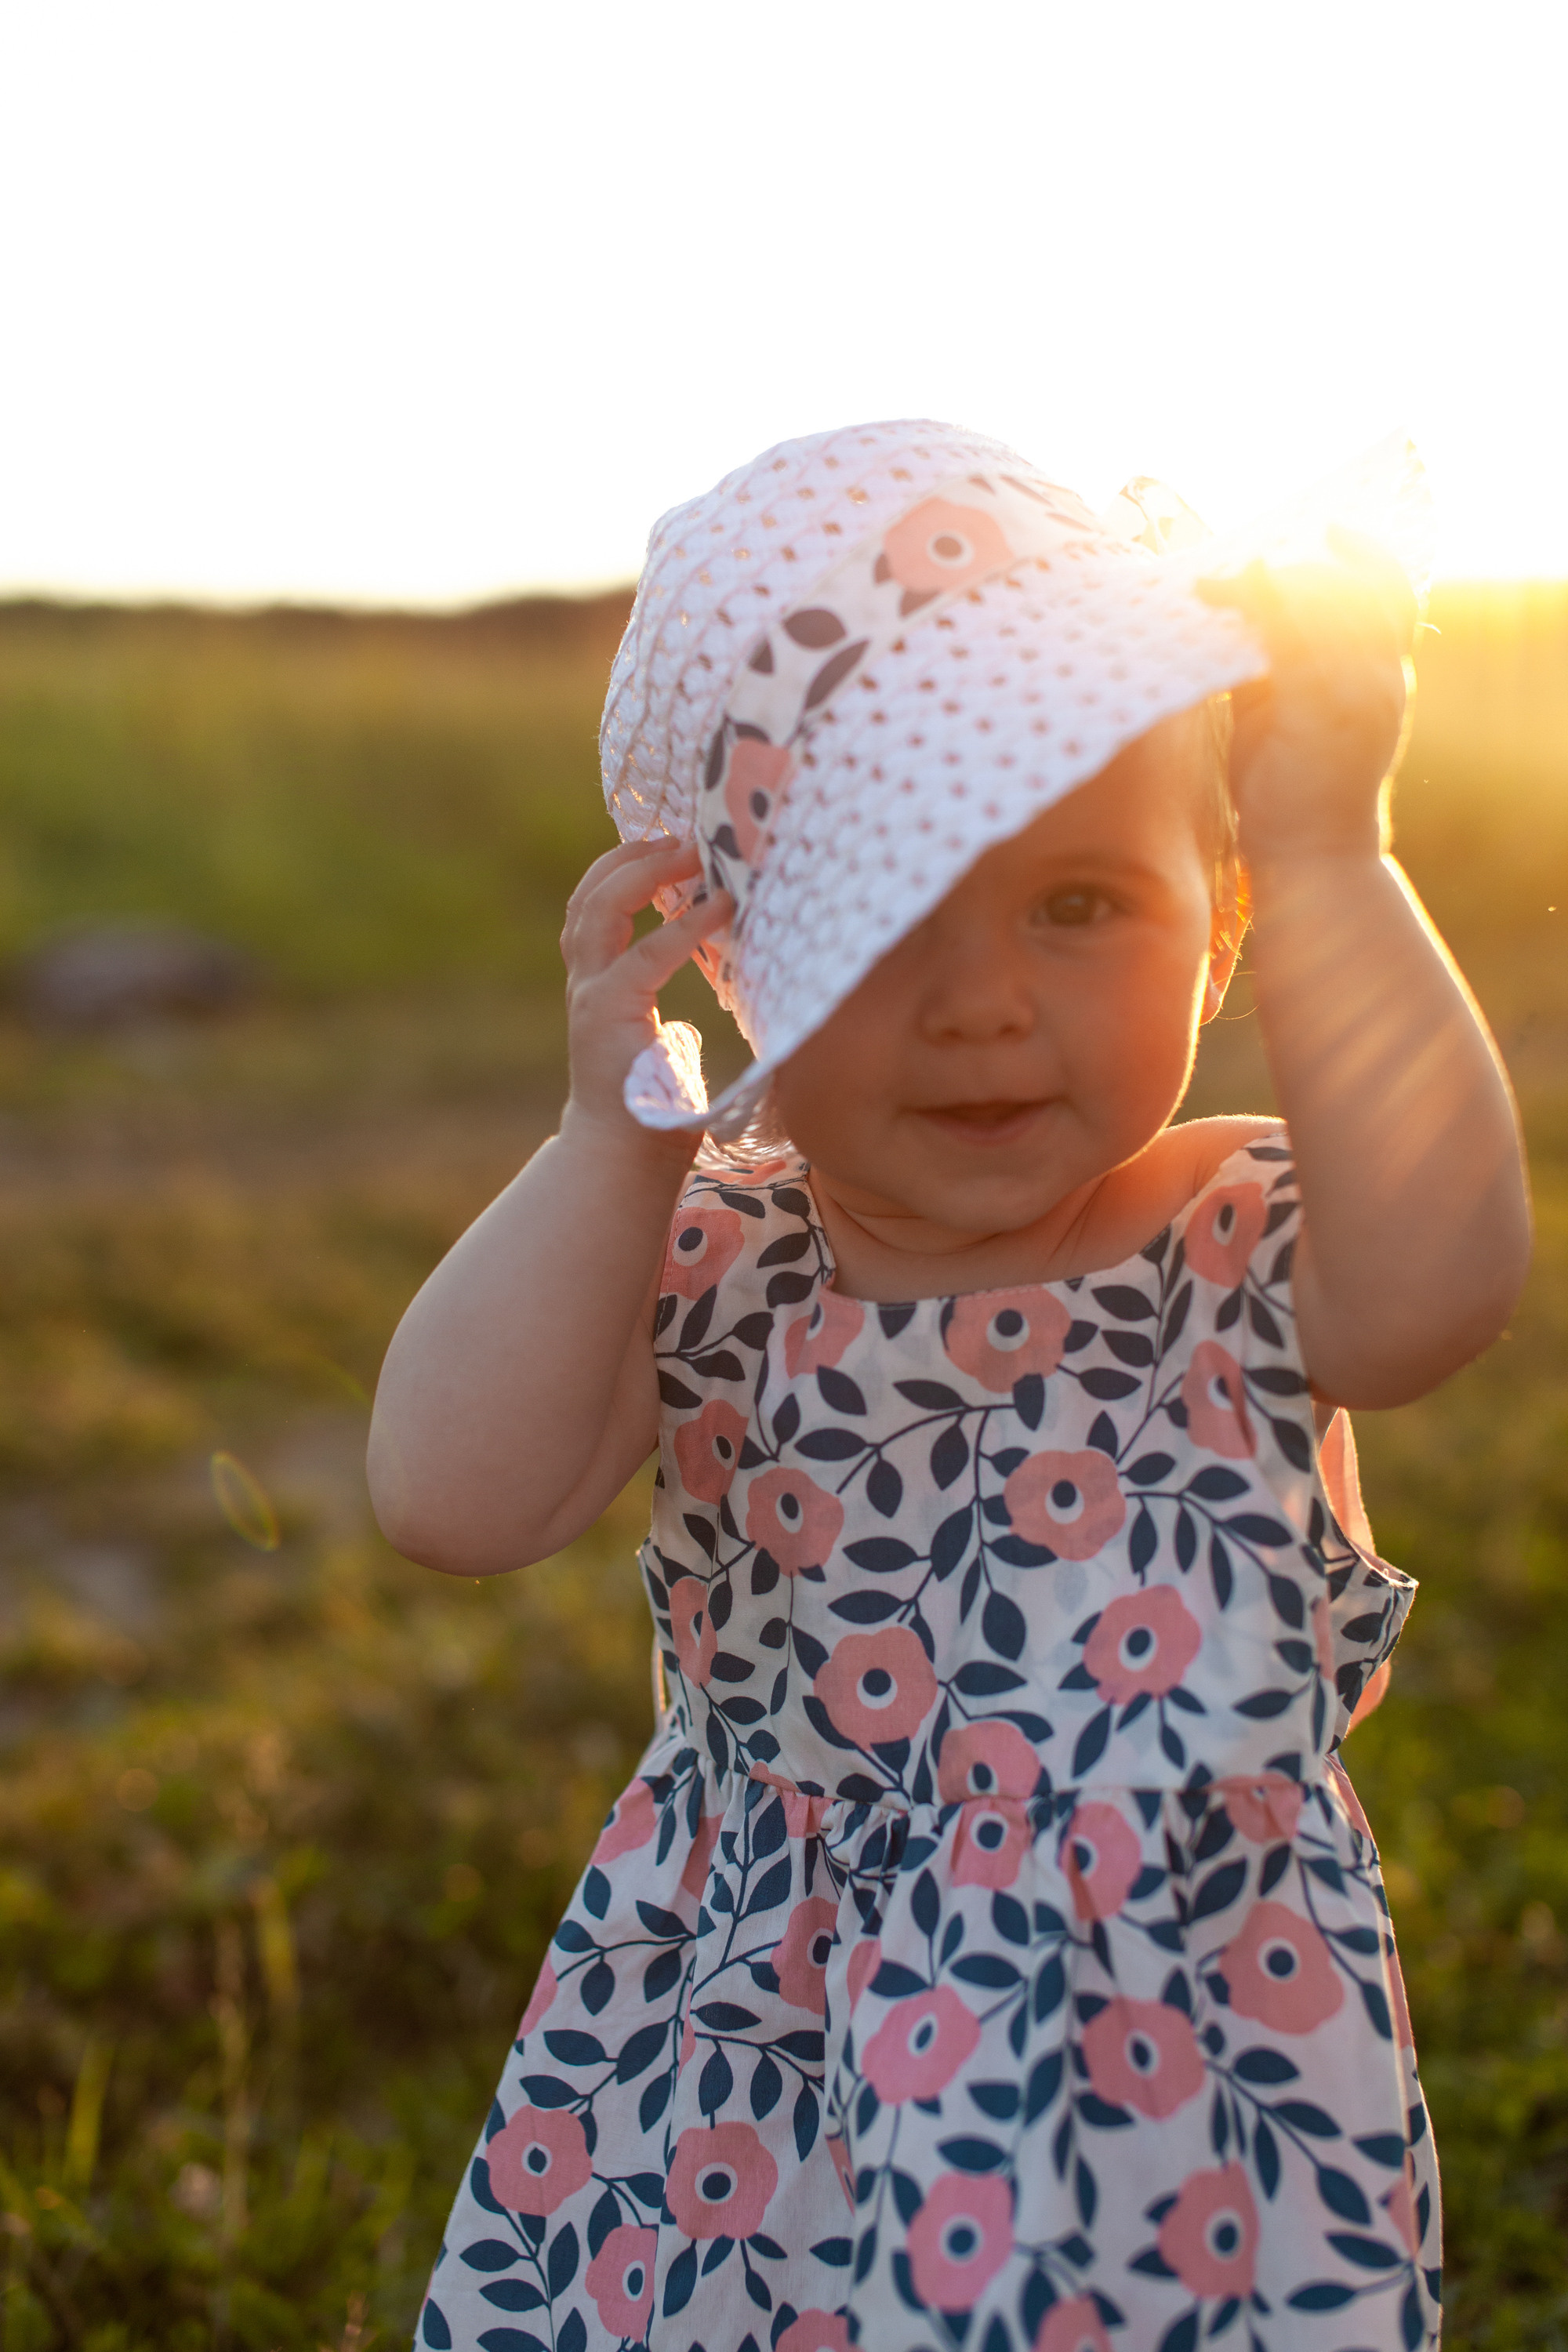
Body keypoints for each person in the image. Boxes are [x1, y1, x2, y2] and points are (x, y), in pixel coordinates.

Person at [368, 420, 1530, 2352]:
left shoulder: (1233, 1239)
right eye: (887, 921)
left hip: (1164, 2068)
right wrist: (613, 1138)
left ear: (1219, 916)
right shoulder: (709, 1258)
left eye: (1079, 905)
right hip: (743, 2053)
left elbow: (1443, 1289)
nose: (982, 999)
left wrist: (1336, 840)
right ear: (734, 959)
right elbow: (449, 1499)